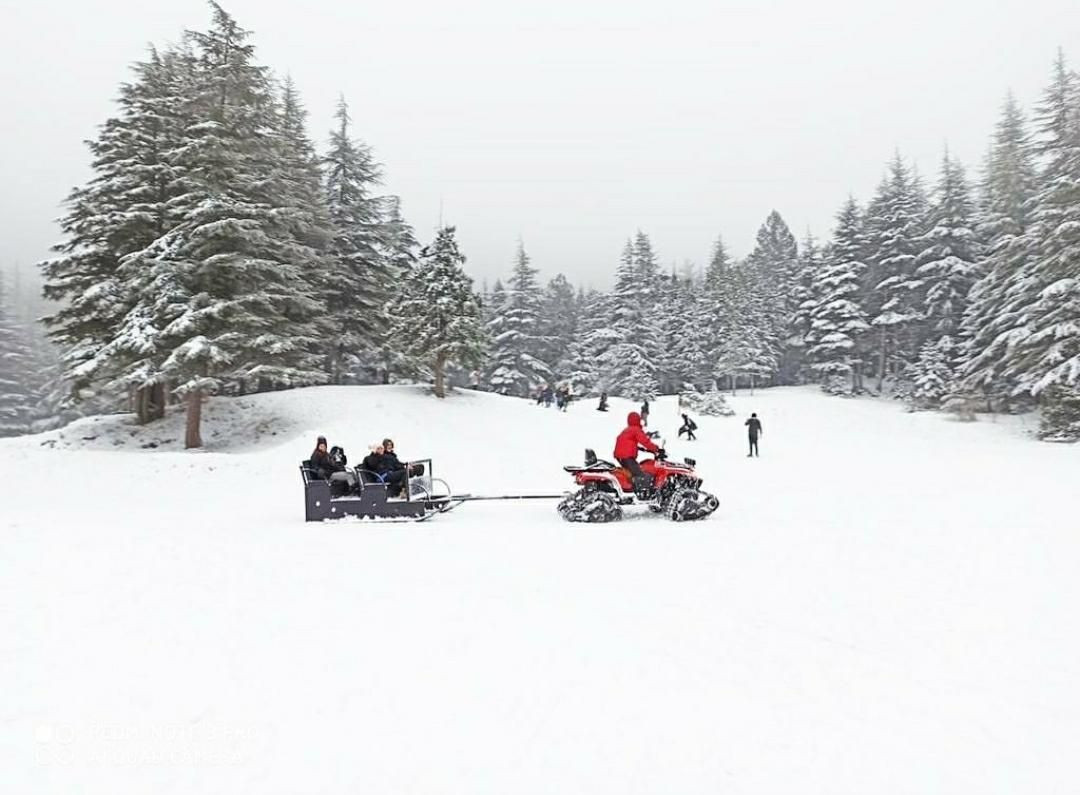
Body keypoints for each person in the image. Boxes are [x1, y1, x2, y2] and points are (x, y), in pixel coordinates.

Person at [613, 411, 662, 497]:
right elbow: (645, 441)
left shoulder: (627, 430)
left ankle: (632, 489)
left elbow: (627, 443)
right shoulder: (636, 429)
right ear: (638, 420)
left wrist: (640, 448)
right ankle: (639, 493)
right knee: (640, 475)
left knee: (631, 473)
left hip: (621, 456)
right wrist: (657, 449)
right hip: (627, 457)